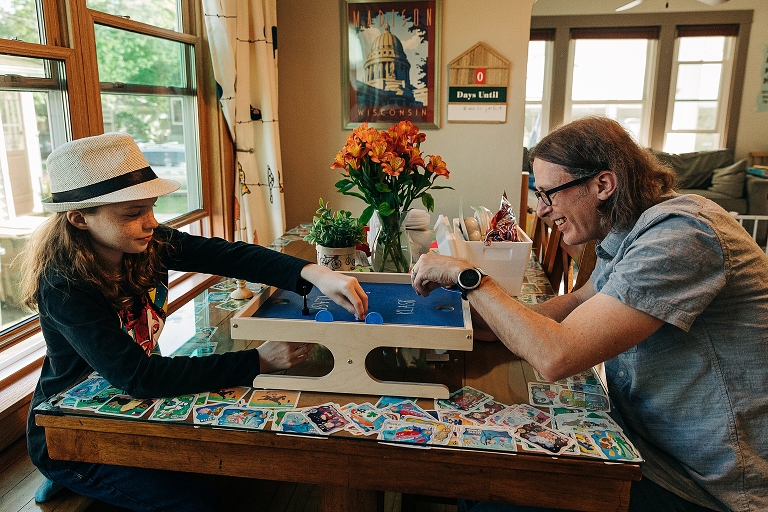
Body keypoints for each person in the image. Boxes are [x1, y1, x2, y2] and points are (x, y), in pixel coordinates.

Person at [411, 117, 768, 512]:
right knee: (479, 477)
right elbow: (579, 301)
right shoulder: (630, 230)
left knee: (490, 494)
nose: (542, 210)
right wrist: (499, 322)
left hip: (700, 486)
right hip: (645, 442)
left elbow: (556, 356)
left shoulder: (682, 236)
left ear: (602, 184)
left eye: (549, 194)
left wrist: (471, 279)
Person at [23, 132, 368, 511]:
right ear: (79, 219)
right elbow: (140, 377)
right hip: (69, 433)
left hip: (128, 412)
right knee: (198, 502)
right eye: (133, 213)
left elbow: (230, 256)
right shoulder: (63, 285)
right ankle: (67, 476)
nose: (150, 222)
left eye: (151, 207)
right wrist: (257, 361)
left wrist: (316, 274)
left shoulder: (147, 243)